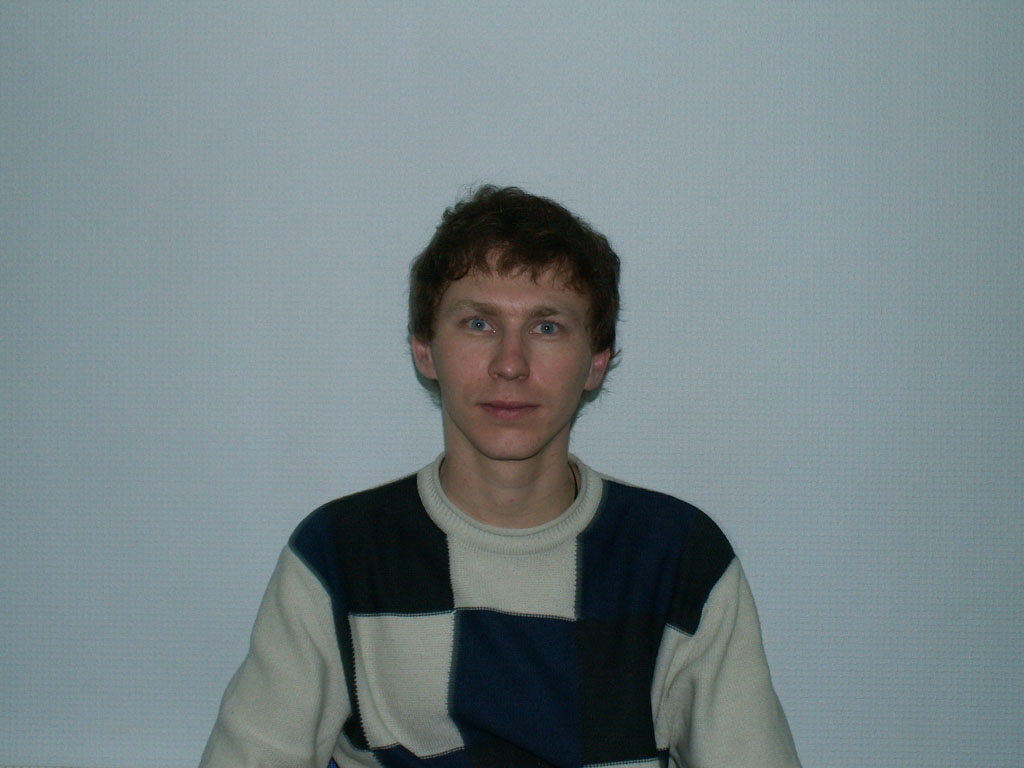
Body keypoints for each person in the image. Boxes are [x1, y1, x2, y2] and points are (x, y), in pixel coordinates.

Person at [200, 186, 800, 767]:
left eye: (546, 327)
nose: (510, 365)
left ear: (596, 362)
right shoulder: (339, 555)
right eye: (478, 324)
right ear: (425, 350)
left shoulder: (678, 559)